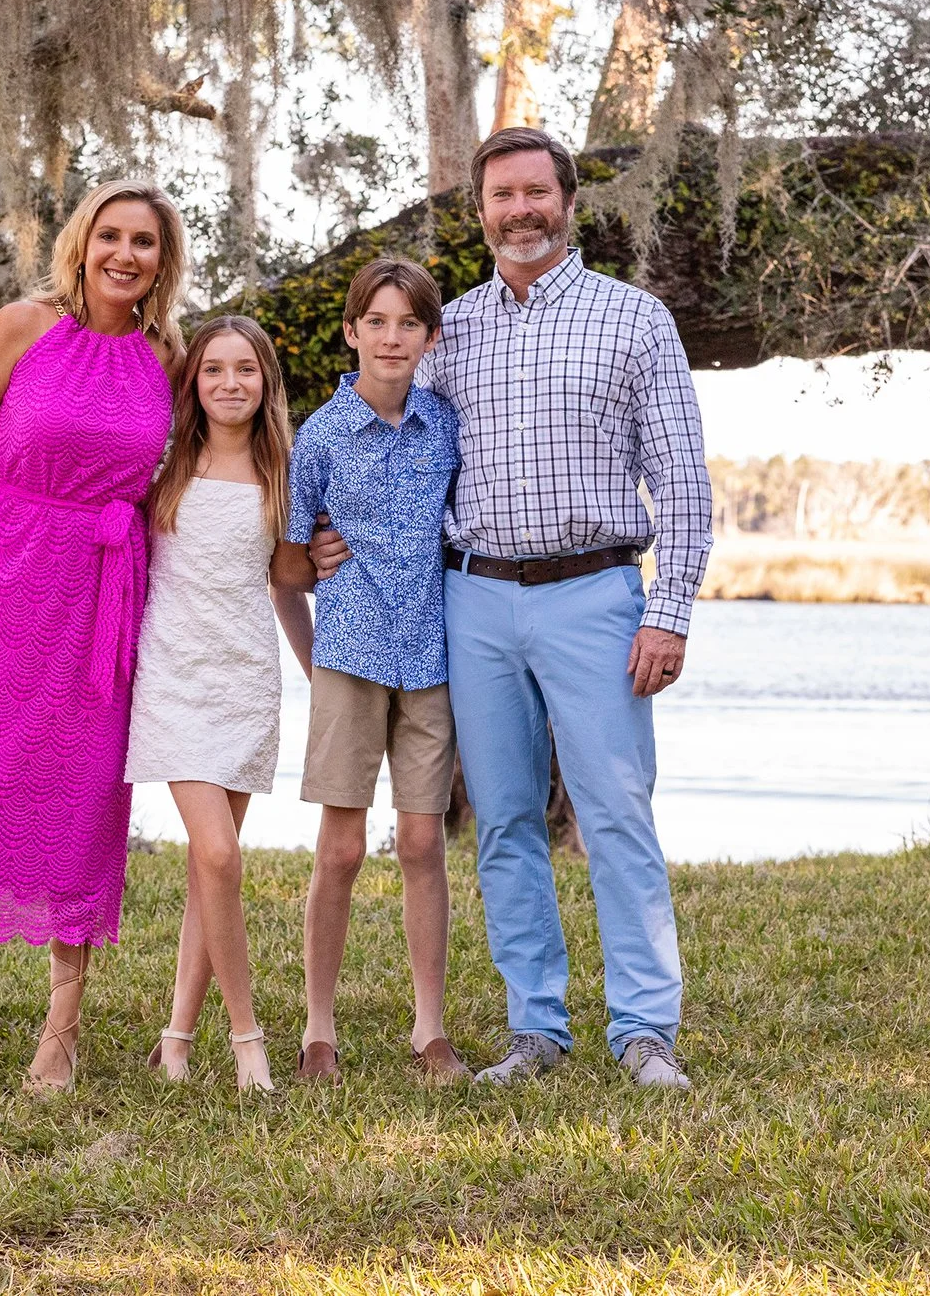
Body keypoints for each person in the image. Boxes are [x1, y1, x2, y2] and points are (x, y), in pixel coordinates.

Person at [310, 127, 712, 1091]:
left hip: (598, 594)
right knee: (502, 822)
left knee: (616, 810)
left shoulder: (634, 319)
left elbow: (684, 480)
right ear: (480, 210)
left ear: (568, 202)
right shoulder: (452, 334)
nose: (520, 209)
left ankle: (645, 1029)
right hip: (476, 600)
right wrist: (331, 534)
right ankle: (536, 1027)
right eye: (503, 196)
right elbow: (386, 438)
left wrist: (672, 608)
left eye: (538, 191)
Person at [0, 178, 183, 1096]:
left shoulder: (169, 356)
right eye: (112, 235)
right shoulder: (25, 325)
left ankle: (60, 1032)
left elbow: (199, 474)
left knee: (81, 802)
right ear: (83, 241)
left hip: (103, 599)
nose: (126, 255)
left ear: (162, 260)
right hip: (1, 584)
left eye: (144, 241)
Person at [281, 258, 470, 1086]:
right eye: (378, 322)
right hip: (349, 655)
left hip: (431, 654)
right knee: (343, 847)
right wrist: (310, 660)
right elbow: (286, 565)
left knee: (424, 839)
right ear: (352, 330)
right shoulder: (318, 437)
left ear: (430, 338)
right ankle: (318, 1027)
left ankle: (430, 1029)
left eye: (410, 324)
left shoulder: (447, 424)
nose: (393, 338)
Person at [124, 316, 315, 1094]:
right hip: (171, 677)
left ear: (266, 380)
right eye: (213, 370)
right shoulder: (163, 464)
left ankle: (174, 1039)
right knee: (219, 857)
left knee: (214, 874)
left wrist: (318, 667)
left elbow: (289, 579)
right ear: (193, 382)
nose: (229, 383)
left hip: (245, 682)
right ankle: (247, 1039)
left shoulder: (283, 473)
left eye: (245, 369)